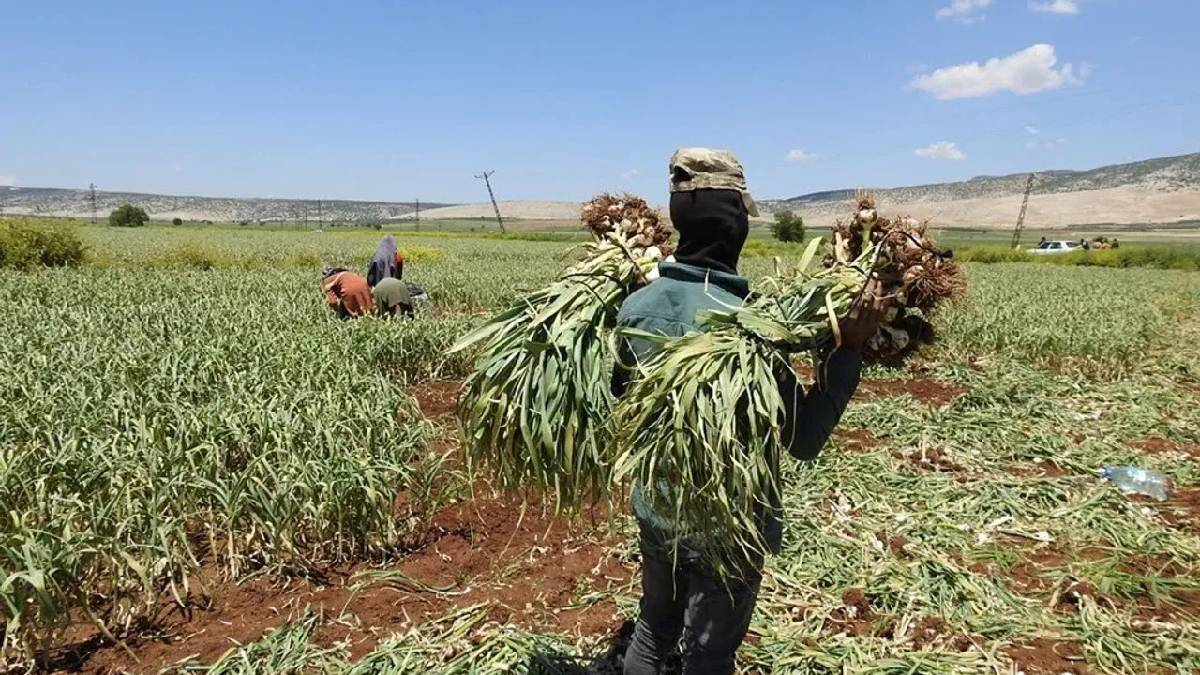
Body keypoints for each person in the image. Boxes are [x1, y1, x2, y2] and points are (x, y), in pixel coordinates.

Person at [613, 148, 886, 675]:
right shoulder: (754, 327)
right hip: (729, 524)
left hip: (658, 506)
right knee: (709, 653)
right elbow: (803, 439)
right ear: (736, 225)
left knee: (653, 628)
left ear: (681, 220)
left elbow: (622, 400)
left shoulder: (635, 308)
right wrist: (847, 350)